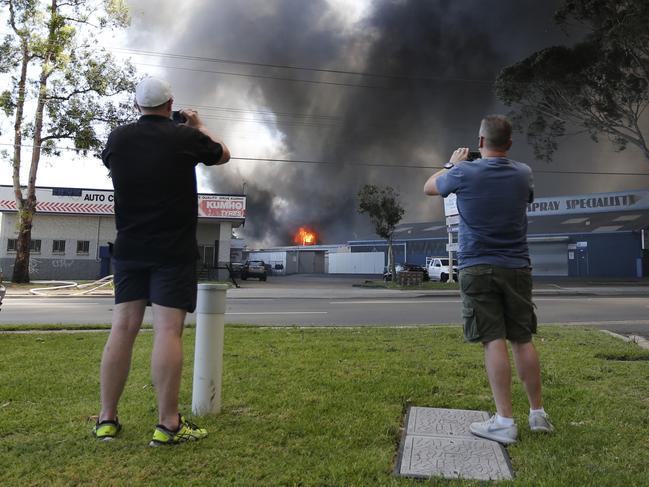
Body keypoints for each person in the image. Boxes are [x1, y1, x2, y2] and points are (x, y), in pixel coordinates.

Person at [93, 77, 230, 446]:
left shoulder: (119, 138)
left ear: (137, 106)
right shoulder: (184, 137)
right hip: (172, 251)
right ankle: (168, 424)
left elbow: (113, 161)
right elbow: (222, 154)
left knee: (122, 328)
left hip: (130, 249)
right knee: (168, 331)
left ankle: (107, 419)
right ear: (171, 104)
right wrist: (196, 125)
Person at [423, 114, 553, 445]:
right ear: (509, 144)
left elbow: (429, 188)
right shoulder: (524, 173)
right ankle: (538, 415)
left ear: (480, 142)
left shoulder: (463, 172)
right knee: (522, 338)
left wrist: (452, 165)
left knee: (492, 339)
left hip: (477, 267)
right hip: (517, 267)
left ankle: (505, 422)